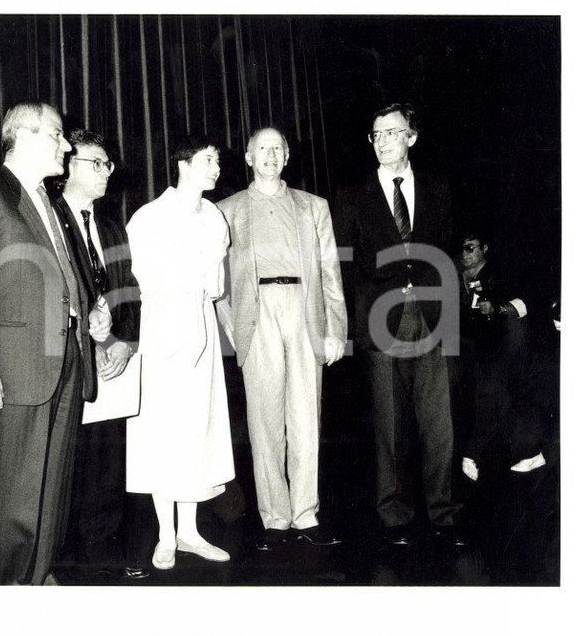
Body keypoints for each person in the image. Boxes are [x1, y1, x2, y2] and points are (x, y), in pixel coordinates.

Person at [0, 101, 112, 585]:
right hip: (14, 365)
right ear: (23, 135)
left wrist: (87, 311)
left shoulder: (50, 202)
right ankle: (7, 589)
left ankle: (36, 577)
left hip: (65, 360)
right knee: (14, 490)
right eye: (57, 135)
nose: (66, 146)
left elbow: (59, 277)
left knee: (51, 486)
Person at [334, 103, 465, 547]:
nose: (383, 141)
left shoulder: (438, 188)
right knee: (389, 425)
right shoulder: (352, 194)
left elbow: (448, 254)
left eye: (392, 132)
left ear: (412, 137)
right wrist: (356, 321)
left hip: (433, 317)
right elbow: (343, 264)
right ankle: (394, 515)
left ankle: (445, 511)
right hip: (380, 319)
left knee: (439, 422)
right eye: (377, 134)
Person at [216, 127, 347, 550]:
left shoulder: (314, 207)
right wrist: (232, 326)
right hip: (257, 315)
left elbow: (331, 272)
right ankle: (274, 517)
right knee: (265, 419)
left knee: (306, 416)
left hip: (305, 309)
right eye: (262, 148)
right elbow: (216, 280)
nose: (270, 155)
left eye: (278, 148)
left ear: (287, 157)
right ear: (249, 157)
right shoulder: (226, 211)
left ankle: (306, 512)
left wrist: (336, 330)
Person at [125, 136, 235, 570]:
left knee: (198, 427)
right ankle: (165, 535)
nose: (215, 168)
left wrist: (202, 280)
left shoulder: (215, 216)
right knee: (163, 428)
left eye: (217, 161)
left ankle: (189, 532)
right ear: (183, 164)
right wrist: (193, 277)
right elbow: (148, 278)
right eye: (207, 160)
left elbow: (217, 285)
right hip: (165, 328)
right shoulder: (150, 216)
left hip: (202, 327)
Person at [51, 129, 151, 580]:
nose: (106, 171)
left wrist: (124, 343)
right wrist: (90, 342)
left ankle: (101, 550)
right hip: (68, 357)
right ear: (68, 166)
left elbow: (128, 290)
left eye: (108, 164)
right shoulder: (50, 217)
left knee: (108, 458)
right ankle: (63, 558)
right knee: (68, 462)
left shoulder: (111, 227)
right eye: (96, 163)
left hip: (112, 360)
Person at [455, 231, 545, 481]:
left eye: (470, 248)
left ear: (484, 249)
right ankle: (530, 452)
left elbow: (524, 302)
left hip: (503, 346)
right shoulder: (458, 276)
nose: (465, 254)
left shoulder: (501, 272)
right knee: (497, 400)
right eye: (462, 249)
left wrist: (498, 308)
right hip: (474, 348)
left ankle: (472, 454)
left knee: (492, 396)